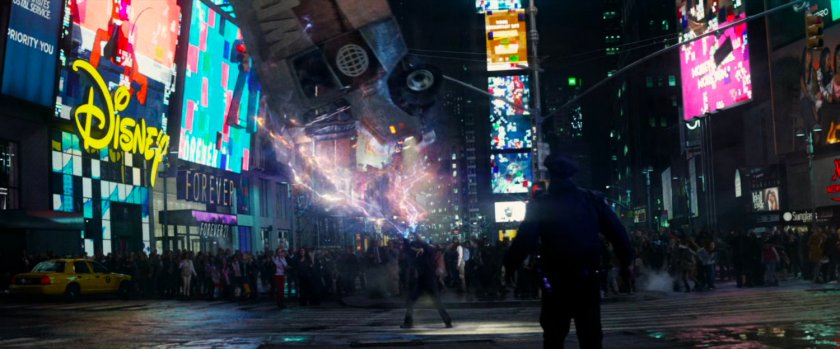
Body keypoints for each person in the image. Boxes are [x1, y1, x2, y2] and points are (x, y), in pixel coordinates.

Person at [505, 153, 634, 349]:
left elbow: (525, 240)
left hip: (555, 282)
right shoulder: (591, 200)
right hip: (587, 280)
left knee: (554, 338)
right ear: (572, 176)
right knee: (590, 338)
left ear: (551, 176)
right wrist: (626, 264)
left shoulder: (540, 204)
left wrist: (510, 267)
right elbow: (618, 234)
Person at [401, 233, 453, 329]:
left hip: (427, 279)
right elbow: (409, 249)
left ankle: (447, 320)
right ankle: (447, 321)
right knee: (414, 301)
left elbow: (414, 248)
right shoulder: (425, 251)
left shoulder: (429, 251)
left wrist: (417, 240)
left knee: (415, 301)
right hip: (425, 280)